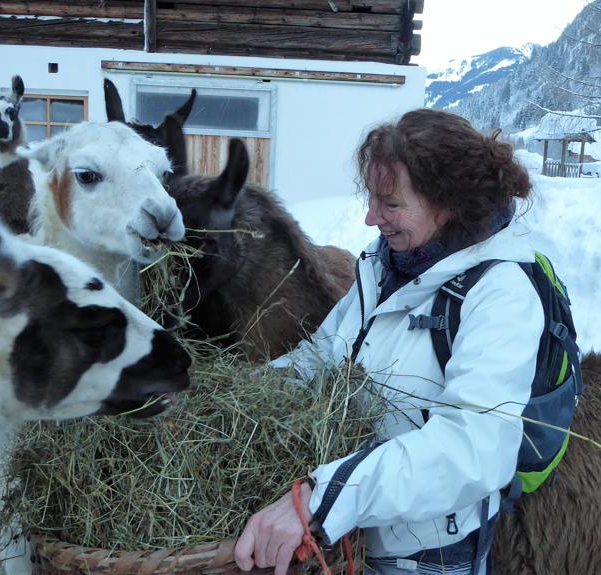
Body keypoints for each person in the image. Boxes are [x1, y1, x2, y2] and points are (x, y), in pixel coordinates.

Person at [233, 108, 544, 575]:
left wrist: (324, 497)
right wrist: (237, 396)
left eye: (390, 203)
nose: (370, 217)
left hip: (427, 557)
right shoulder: (388, 268)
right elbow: (325, 357)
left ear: (449, 203)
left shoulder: (501, 293)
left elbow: (474, 447)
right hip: (352, 535)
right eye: (372, 199)